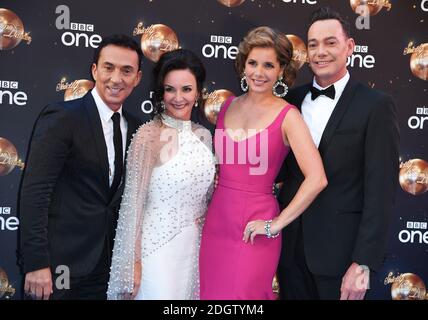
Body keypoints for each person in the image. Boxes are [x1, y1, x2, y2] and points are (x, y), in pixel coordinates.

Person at [277, 7, 400, 300]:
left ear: (349, 47)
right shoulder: (289, 101)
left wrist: (363, 263)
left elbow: (381, 192)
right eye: (313, 44)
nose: (321, 52)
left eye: (330, 42)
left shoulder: (376, 105)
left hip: (343, 259)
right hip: (290, 254)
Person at [199, 26, 327, 300]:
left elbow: (317, 178)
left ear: (281, 70)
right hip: (217, 221)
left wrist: (276, 224)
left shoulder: (288, 116)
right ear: (243, 65)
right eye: (253, 63)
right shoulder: (226, 106)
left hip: (255, 227)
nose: (259, 72)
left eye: (268, 65)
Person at [18, 34, 143, 300]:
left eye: (126, 70)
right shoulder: (63, 117)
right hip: (58, 269)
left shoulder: (135, 128)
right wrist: (36, 263)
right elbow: (35, 192)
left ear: (137, 78)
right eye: (108, 67)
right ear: (95, 70)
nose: (116, 78)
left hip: (106, 269)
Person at [107, 49, 216, 300]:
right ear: (160, 93)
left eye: (186, 89)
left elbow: (205, 197)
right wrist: (131, 265)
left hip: (192, 252)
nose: (178, 98)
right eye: (170, 89)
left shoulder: (204, 136)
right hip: (154, 253)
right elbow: (132, 206)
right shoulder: (148, 135)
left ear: (198, 92)